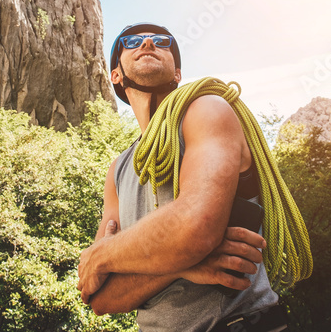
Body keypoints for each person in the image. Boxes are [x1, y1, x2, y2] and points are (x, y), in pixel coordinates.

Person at [77, 23, 291, 332]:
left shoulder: (207, 111)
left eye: (162, 42)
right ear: (116, 75)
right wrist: (183, 265)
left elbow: (197, 229)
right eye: (132, 41)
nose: (148, 42)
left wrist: (101, 256)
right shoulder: (118, 170)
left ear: (177, 73)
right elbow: (100, 299)